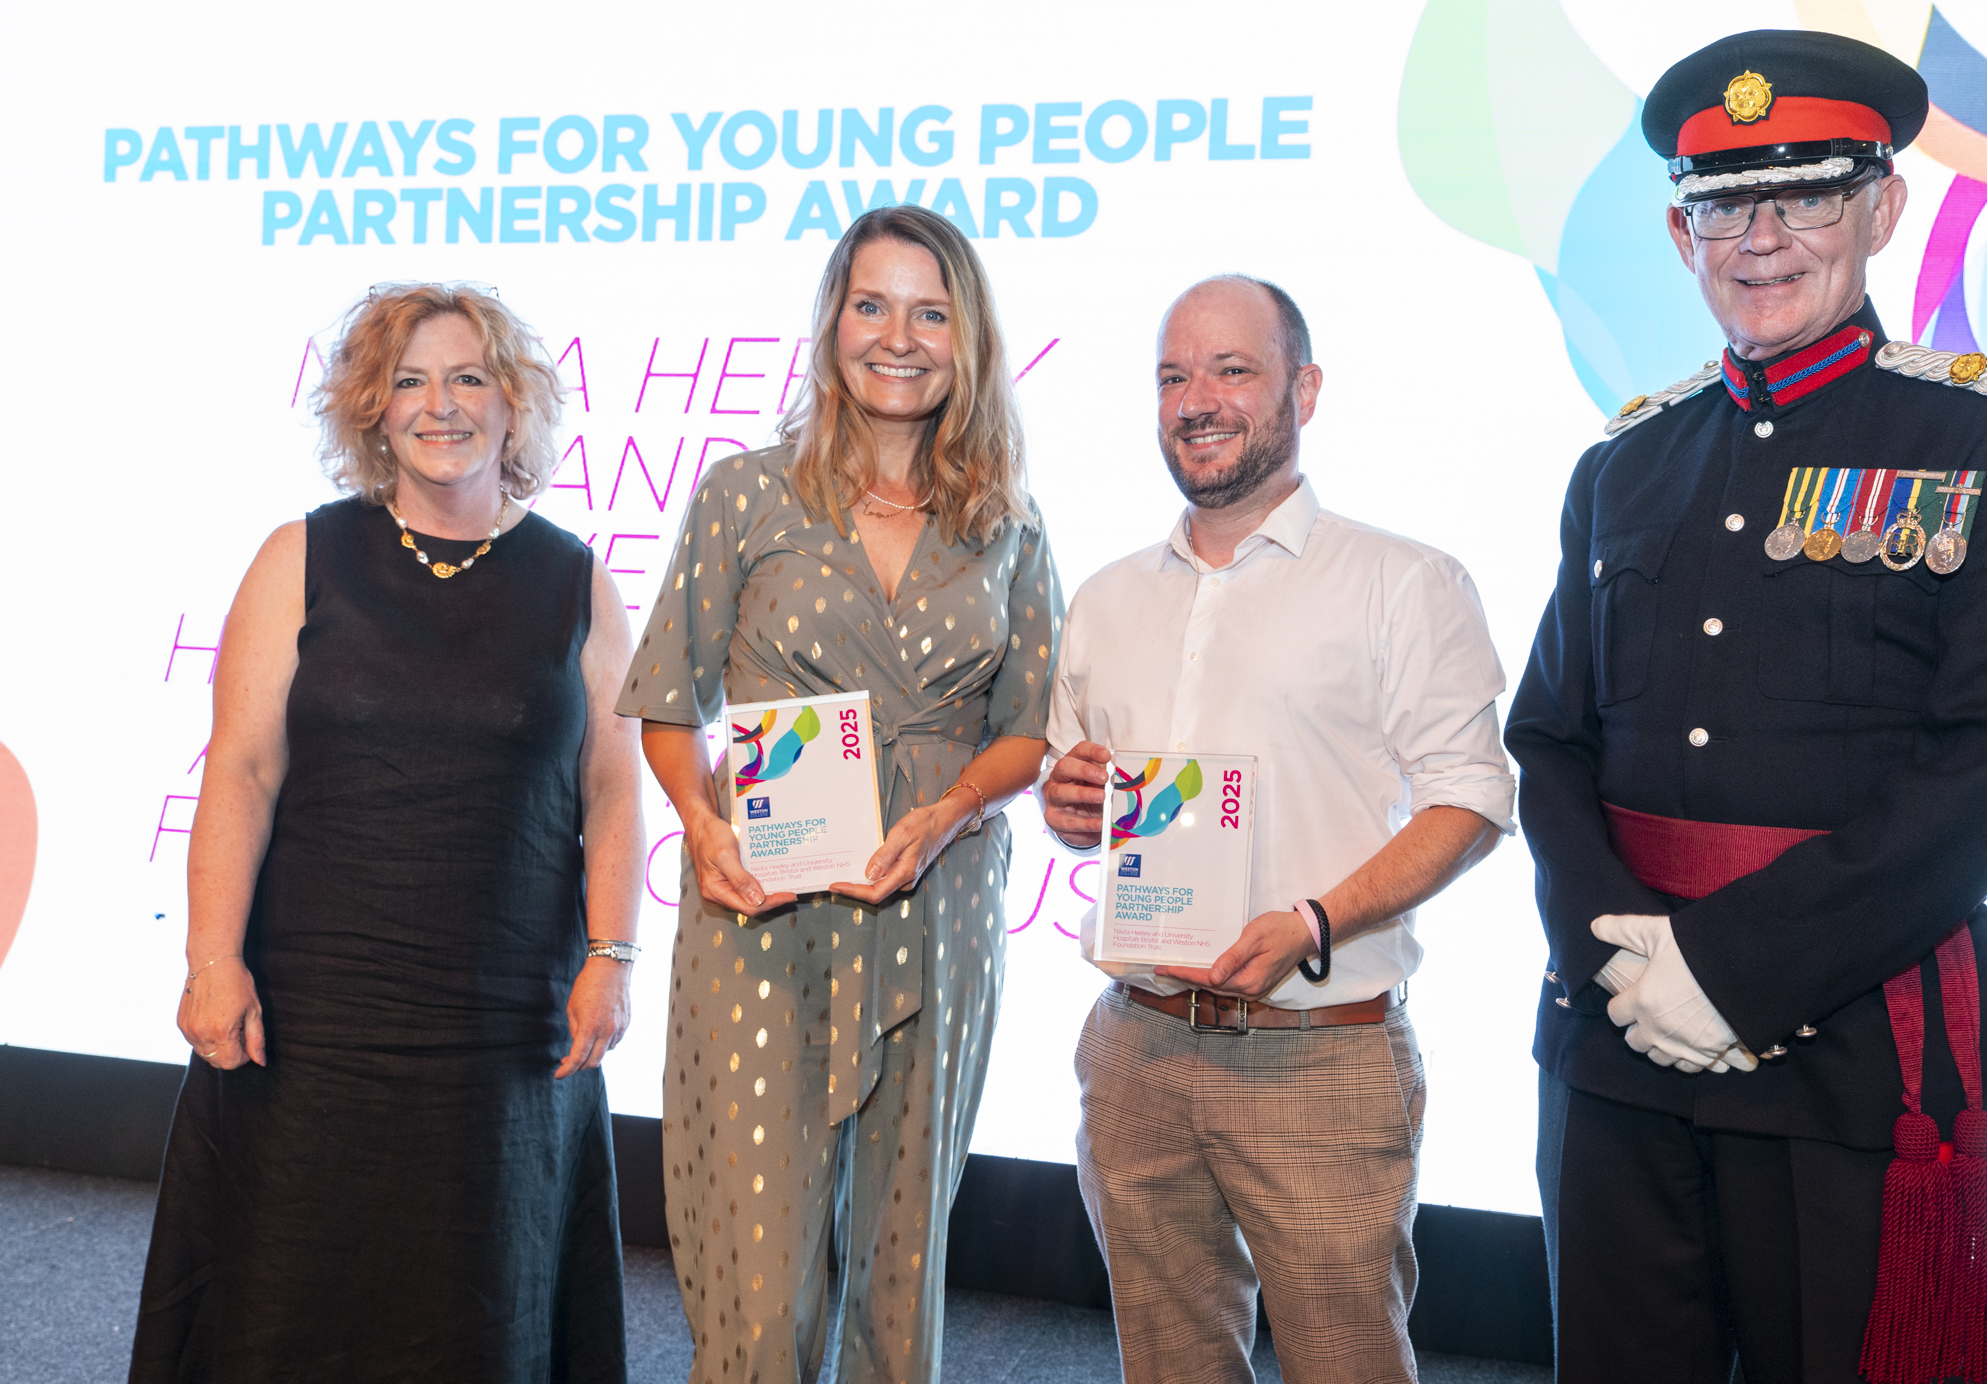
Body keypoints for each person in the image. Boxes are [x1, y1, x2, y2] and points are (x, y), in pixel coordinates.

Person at [1505, 29, 1987, 1384]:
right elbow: (1548, 736)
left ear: (1880, 206)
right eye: (1721, 202)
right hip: (1617, 1042)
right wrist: (1625, 960)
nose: (1758, 237)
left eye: (1805, 192)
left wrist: (1731, 971)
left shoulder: (1986, 439)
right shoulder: (1625, 464)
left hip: (1847, 1047)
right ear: (1678, 229)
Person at [132, 283, 644, 1381]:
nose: (439, 405)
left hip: (504, 1032)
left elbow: (611, 789)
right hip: (311, 1027)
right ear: (372, 409)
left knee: (483, 1310)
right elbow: (242, 770)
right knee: (286, 1299)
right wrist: (211, 961)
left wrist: (613, 956)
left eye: (468, 378)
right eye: (409, 381)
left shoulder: (576, 582)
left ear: (514, 406)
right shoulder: (299, 559)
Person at [1041, 274, 1515, 1384]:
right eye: (1173, 376)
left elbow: (1473, 799)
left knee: (1347, 1364)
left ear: (1303, 387)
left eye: (1231, 369)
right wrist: (1068, 808)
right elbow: (1084, 797)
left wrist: (1313, 917)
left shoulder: (1402, 581)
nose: (1196, 400)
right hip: (1139, 1044)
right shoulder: (1107, 598)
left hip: (1321, 1050)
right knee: (1166, 1366)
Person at [619, 203, 1061, 1384]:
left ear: (966, 338)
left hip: (941, 910)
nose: (898, 335)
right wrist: (701, 825)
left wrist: (949, 811)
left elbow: (1031, 729)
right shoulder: (744, 495)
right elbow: (667, 699)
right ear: (832, 323)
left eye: (931, 311)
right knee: (757, 1294)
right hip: (764, 918)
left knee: (897, 1276)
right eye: (872, 304)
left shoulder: (1010, 522)